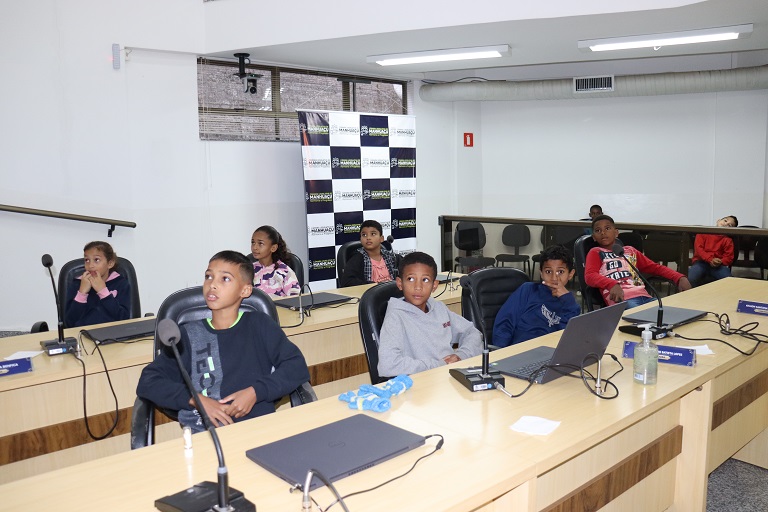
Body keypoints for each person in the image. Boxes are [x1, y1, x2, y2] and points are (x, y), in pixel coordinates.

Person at [136, 250, 309, 433]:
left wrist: (255, 392)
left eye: (225, 279)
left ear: (245, 290)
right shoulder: (188, 335)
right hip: (207, 433)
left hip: (258, 429)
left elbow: (296, 367)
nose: (212, 285)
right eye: (208, 276)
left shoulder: (259, 324)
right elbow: (149, 381)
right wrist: (195, 399)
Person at [377, 251, 482, 377]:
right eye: (411, 279)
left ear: (434, 285)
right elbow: (388, 365)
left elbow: (472, 332)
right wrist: (440, 364)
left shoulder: (439, 308)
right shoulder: (395, 318)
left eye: (425, 280)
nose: (418, 287)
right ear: (400, 283)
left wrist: (461, 355)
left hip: (448, 376)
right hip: (421, 381)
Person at [585, 215, 691, 308]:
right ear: (594, 237)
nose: (603, 233)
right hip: (622, 300)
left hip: (645, 297)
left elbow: (655, 268)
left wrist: (679, 277)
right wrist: (611, 284)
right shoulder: (595, 252)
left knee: (669, 313)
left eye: (607, 228)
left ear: (616, 233)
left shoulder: (630, 251)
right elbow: (590, 276)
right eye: (598, 230)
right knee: (645, 318)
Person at [492, 245, 581, 347]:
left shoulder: (571, 305)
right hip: (521, 350)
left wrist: (567, 300)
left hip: (550, 353)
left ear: (570, 274)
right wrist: (501, 351)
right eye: (548, 271)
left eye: (560, 272)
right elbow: (505, 322)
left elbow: (567, 339)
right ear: (541, 273)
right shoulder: (528, 290)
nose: (554, 278)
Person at [64, 241, 131, 327]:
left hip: (112, 332)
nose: (90, 265)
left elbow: (124, 319)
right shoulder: (76, 284)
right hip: (82, 333)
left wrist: (103, 292)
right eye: (87, 260)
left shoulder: (121, 284)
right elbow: (69, 323)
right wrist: (82, 293)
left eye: (96, 260)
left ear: (110, 263)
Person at [339, 220, 398, 287]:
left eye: (373, 234)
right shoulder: (357, 259)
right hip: (369, 293)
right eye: (364, 235)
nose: (368, 238)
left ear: (381, 239)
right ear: (360, 239)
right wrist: (372, 285)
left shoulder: (390, 256)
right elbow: (347, 282)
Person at [250, 225, 300, 296]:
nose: (255, 247)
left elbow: (296, 299)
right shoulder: (248, 270)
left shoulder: (285, 272)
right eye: (253, 242)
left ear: (273, 248)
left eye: (260, 243)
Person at [688, 215, 738, 287]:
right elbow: (699, 250)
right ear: (718, 221)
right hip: (701, 262)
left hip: (719, 266)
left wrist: (720, 261)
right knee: (691, 278)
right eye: (725, 220)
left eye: (730, 225)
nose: (726, 224)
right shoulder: (703, 232)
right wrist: (710, 259)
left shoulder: (728, 240)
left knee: (729, 281)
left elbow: (729, 257)